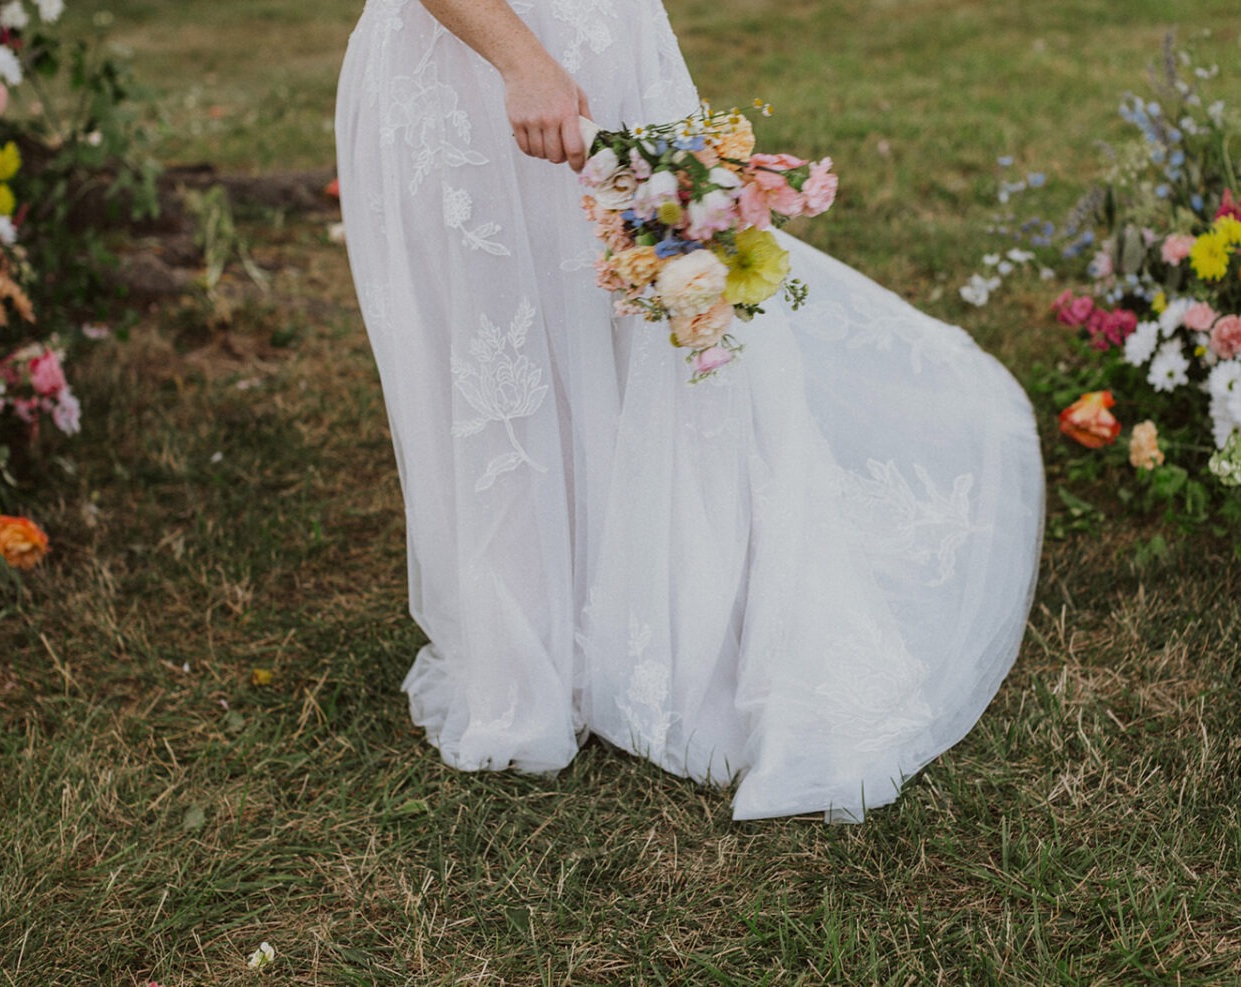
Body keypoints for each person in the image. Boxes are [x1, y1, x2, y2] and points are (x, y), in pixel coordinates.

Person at [334, 0, 1044, 822]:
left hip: (603, 35)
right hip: (461, 64)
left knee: (647, 315)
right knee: (502, 348)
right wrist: (519, 57)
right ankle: (534, 638)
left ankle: (662, 604)